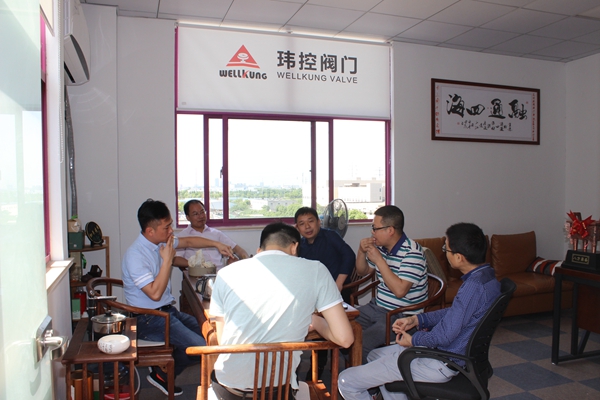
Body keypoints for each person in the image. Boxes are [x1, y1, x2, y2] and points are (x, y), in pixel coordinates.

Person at [338, 223, 502, 400]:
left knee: (346, 380)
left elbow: (445, 336)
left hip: (440, 361)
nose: (444, 253)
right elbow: (455, 312)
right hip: (450, 355)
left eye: (446, 249)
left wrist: (413, 340)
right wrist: (417, 319)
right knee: (374, 355)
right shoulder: (487, 278)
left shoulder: (472, 287)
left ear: (459, 257)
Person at [209, 222, 355, 400]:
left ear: (259, 250)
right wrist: (316, 321)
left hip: (229, 389)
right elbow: (345, 339)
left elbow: (223, 340)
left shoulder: (226, 273)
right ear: (294, 247)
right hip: (278, 391)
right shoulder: (316, 270)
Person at [122, 199, 234, 396]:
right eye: (166, 227)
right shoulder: (136, 256)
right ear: (150, 231)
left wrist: (217, 244)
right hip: (147, 319)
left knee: (212, 336)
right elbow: (155, 294)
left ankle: (162, 374)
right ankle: (174, 375)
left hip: (167, 312)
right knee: (202, 348)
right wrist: (168, 260)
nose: (171, 231)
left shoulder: (159, 242)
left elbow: (190, 241)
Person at [354, 205, 428, 363]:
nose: (372, 232)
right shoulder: (383, 248)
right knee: (343, 328)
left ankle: (365, 376)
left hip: (401, 316)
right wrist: (361, 251)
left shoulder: (412, 252)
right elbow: (362, 271)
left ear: (390, 230)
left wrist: (380, 261)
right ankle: (355, 366)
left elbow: (400, 291)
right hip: (377, 306)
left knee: (361, 343)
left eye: (375, 228)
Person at [295, 206, 356, 378]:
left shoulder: (331, 236)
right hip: (314, 296)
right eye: (302, 224)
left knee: (329, 324)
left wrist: (339, 283)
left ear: (319, 222)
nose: (307, 227)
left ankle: (322, 367)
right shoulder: (300, 246)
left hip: (339, 293)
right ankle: (309, 367)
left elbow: (349, 256)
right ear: (297, 228)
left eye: (311, 221)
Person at [173, 199, 249, 271]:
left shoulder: (216, 233)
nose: (201, 216)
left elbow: (237, 249)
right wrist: (193, 264)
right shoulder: (182, 236)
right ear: (188, 217)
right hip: (197, 275)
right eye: (195, 214)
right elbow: (175, 259)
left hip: (219, 273)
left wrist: (247, 261)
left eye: (202, 212)